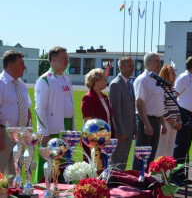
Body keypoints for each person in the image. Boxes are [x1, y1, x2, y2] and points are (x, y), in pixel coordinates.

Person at [34, 46, 74, 183]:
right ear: (53, 60)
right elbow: (40, 108)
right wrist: (44, 132)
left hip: (66, 129)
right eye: (64, 59)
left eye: (67, 59)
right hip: (52, 131)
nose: (66, 62)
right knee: (48, 168)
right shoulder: (44, 80)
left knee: (64, 167)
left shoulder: (66, 79)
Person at [0, 50, 32, 176]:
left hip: (20, 135)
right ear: (10, 65)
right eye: (21, 64)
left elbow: (27, 107)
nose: (25, 67)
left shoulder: (21, 84)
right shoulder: (1, 83)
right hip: (4, 134)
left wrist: (28, 131)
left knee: (14, 175)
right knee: (1, 173)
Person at [171, 56, 192, 186]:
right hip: (183, 114)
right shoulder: (184, 77)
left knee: (187, 147)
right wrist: (178, 114)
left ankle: (183, 175)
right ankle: (175, 176)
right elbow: (174, 95)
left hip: (191, 115)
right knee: (180, 147)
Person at [132, 52, 164, 172]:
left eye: (159, 61)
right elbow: (139, 102)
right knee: (141, 154)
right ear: (147, 63)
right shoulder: (143, 80)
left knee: (151, 154)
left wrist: (161, 123)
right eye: (156, 61)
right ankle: (136, 181)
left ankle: (146, 180)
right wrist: (146, 123)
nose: (158, 64)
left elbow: (158, 103)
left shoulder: (156, 79)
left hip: (156, 120)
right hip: (146, 119)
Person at [81, 68, 114, 170]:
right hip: (94, 141)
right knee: (94, 170)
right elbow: (87, 123)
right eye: (104, 78)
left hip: (106, 140)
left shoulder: (104, 97)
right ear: (96, 80)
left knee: (105, 169)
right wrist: (96, 139)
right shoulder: (88, 98)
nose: (106, 81)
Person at [109, 57, 136, 170]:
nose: (132, 68)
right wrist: (120, 131)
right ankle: (113, 184)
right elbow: (116, 111)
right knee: (116, 161)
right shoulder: (116, 84)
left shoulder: (129, 83)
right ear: (120, 67)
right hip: (121, 132)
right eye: (129, 65)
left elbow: (132, 108)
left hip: (129, 130)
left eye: (133, 65)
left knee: (124, 161)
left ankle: (120, 184)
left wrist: (135, 129)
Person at [155, 65, 182, 157]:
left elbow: (176, 106)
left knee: (170, 151)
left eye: (175, 74)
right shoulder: (162, 89)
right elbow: (163, 107)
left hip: (174, 124)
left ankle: (167, 171)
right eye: (172, 74)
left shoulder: (173, 90)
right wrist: (172, 122)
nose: (175, 76)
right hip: (166, 123)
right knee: (162, 150)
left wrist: (179, 120)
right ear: (166, 75)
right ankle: (159, 171)